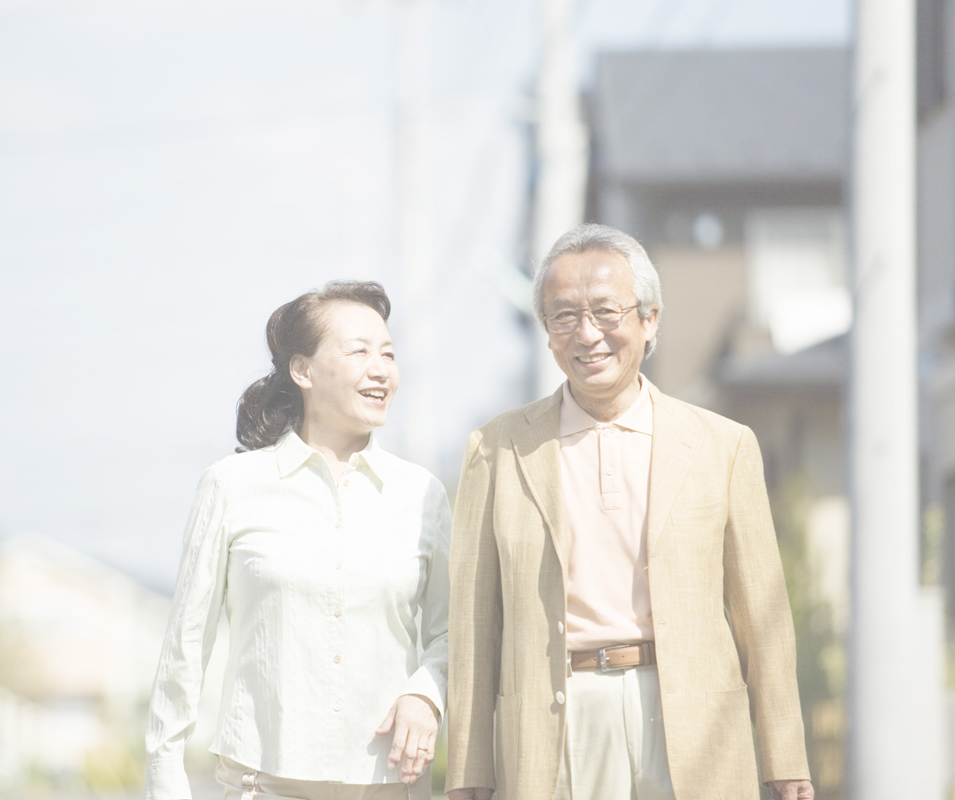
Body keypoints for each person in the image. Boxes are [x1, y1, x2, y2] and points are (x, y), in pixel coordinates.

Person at [444, 224, 814, 800]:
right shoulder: (496, 449)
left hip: (695, 717)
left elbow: (762, 619)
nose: (586, 334)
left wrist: (786, 758)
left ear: (649, 320)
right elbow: (473, 629)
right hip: (557, 720)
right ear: (547, 333)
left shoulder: (723, 444)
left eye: (605, 312)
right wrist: (467, 777)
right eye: (563, 316)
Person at [145, 280, 451, 800]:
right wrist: (165, 777)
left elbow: (455, 632)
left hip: (388, 788)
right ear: (303, 370)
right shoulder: (231, 486)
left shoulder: (422, 493)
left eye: (388, 354)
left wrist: (427, 694)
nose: (381, 369)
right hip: (263, 786)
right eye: (359, 352)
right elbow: (185, 650)